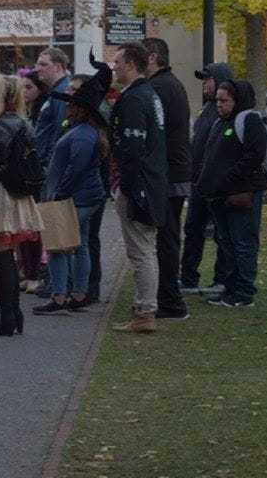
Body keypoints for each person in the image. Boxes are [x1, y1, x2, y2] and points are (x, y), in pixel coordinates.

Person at [33, 56, 109, 315]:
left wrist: (60, 194)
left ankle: (59, 297)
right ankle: (78, 294)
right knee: (81, 244)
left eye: (71, 105)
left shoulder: (83, 134)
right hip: (83, 196)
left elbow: (75, 169)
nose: (66, 109)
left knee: (58, 247)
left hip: (75, 198)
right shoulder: (83, 131)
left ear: (81, 109)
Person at [0, 74, 43, 336]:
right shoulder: (26, 124)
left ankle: (8, 317)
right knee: (11, 256)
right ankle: (14, 314)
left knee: (1, 255)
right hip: (21, 194)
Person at [109, 42, 167, 334]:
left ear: (131, 64)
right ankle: (145, 309)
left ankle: (145, 311)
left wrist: (129, 186)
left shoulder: (134, 99)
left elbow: (133, 148)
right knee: (146, 248)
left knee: (140, 250)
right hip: (150, 180)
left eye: (118, 61)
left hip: (140, 183)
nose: (114, 66)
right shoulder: (149, 95)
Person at [197, 80, 267, 307]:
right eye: (217, 100)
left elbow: (254, 155)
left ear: (236, 101)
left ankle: (244, 291)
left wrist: (229, 178)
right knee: (226, 242)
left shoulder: (249, 120)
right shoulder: (222, 121)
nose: (218, 104)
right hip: (220, 196)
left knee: (243, 242)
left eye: (224, 100)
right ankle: (230, 286)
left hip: (239, 195)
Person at [142, 38, 191, 321]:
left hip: (169, 173)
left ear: (152, 57)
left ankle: (171, 300)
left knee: (167, 237)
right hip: (174, 170)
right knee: (167, 236)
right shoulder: (168, 84)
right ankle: (168, 297)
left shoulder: (161, 87)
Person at [179, 62, 234, 295]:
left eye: (208, 79)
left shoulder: (226, 113)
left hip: (215, 184)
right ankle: (189, 278)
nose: (204, 83)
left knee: (222, 233)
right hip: (198, 183)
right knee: (193, 229)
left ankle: (222, 279)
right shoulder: (206, 110)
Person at [18, 70, 50, 293]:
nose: (24, 91)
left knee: (34, 226)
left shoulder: (42, 114)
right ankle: (29, 270)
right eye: (22, 87)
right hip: (27, 174)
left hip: (38, 175)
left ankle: (36, 273)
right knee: (25, 225)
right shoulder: (26, 114)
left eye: (28, 87)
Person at [33, 47, 71, 168]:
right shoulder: (57, 91)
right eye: (37, 64)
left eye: (43, 64)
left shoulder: (61, 92)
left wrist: (50, 164)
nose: (38, 69)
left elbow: (62, 130)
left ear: (58, 67)